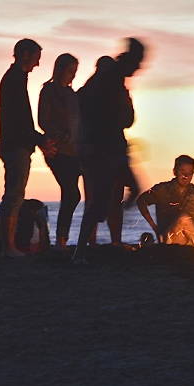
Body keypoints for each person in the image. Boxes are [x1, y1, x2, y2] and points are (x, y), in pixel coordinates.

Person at [72, 38, 145, 262]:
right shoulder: (110, 80)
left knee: (123, 192)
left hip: (108, 147)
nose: (140, 68)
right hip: (104, 149)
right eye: (139, 62)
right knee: (103, 200)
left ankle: (87, 245)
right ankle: (81, 251)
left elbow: (125, 118)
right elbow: (123, 118)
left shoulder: (112, 80)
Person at [0, 38, 47, 257]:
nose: (37, 64)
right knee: (14, 195)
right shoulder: (14, 79)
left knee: (14, 194)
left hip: (15, 143)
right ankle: (8, 247)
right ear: (25, 54)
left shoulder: (16, 78)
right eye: (36, 58)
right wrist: (39, 139)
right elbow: (20, 119)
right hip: (15, 144)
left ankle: (7, 245)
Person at [38, 53, 81, 248]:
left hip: (75, 150)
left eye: (75, 72)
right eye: (70, 71)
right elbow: (42, 120)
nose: (72, 75)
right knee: (72, 193)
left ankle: (64, 239)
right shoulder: (49, 91)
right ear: (60, 69)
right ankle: (61, 239)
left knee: (72, 193)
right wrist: (58, 134)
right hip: (57, 150)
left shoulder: (72, 95)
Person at [136, 155, 194, 246]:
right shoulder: (162, 189)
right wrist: (154, 227)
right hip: (171, 239)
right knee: (184, 219)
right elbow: (141, 201)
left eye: (190, 173)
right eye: (182, 171)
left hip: (193, 240)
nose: (186, 176)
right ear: (175, 171)